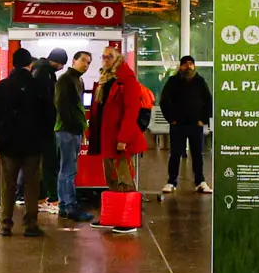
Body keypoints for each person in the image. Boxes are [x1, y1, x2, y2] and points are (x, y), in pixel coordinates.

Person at [0, 50, 57, 237]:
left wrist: (1, 132)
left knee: (8, 184)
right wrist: (44, 137)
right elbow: (49, 115)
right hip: (33, 144)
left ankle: (6, 224)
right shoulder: (38, 86)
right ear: (30, 64)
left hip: (8, 144)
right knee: (31, 184)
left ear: (13, 64)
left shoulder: (2, 87)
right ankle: (30, 225)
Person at [89, 43, 151, 198]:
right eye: (103, 56)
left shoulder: (127, 79)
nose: (105, 60)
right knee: (111, 177)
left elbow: (131, 110)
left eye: (109, 56)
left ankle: (127, 214)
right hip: (106, 136)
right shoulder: (104, 79)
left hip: (120, 138)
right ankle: (116, 213)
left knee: (124, 179)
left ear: (118, 58)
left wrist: (123, 138)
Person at [160, 54, 213, 193]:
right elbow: (164, 101)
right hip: (178, 125)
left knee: (197, 155)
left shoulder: (200, 81)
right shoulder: (173, 81)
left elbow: (209, 101)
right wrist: (171, 119)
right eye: (186, 64)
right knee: (175, 154)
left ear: (194, 66)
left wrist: (204, 120)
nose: (188, 66)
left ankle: (200, 182)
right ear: (181, 66)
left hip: (196, 125)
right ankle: (171, 182)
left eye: (191, 64)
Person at [52, 50, 91, 223]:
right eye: (83, 60)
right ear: (74, 61)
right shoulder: (65, 79)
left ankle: (66, 205)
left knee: (69, 169)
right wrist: (75, 126)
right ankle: (68, 205)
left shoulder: (78, 80)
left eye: (89, 62)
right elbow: (61, 105)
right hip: (67, 130)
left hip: (73, 130)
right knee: (68, 169)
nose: (86, 65)